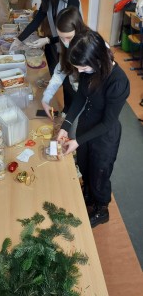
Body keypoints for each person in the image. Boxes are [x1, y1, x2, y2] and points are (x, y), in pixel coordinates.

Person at [57, 30, 130, 228]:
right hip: (86, 128)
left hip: (104, 135)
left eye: (83, 67)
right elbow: (81, 96)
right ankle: (88, 196)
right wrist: (66, 125)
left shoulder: (118, 81)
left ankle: (101, 209)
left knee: (99, 172)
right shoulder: (88, 69)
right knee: (85, 164)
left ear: (97, 59)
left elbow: (108, 123)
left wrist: (77, 141)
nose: (80, 72)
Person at [10, 0, 82, 111]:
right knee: (55, 77)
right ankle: (53, 102)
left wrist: (48, 40)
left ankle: (67, 112)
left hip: (69, 47)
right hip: (54, 45)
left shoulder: (71, 1)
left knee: (68, 84)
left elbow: (74, 34)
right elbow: (37, 20)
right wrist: (18, 39)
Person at [41, 6, 89, 118]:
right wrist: (46, 98)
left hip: (90, 98)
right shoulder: (67, 44)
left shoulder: (92, 46)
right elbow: (59, 72)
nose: (65, 42)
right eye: (61, 38)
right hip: (76, 93)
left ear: (78, 29)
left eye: (68, 37)